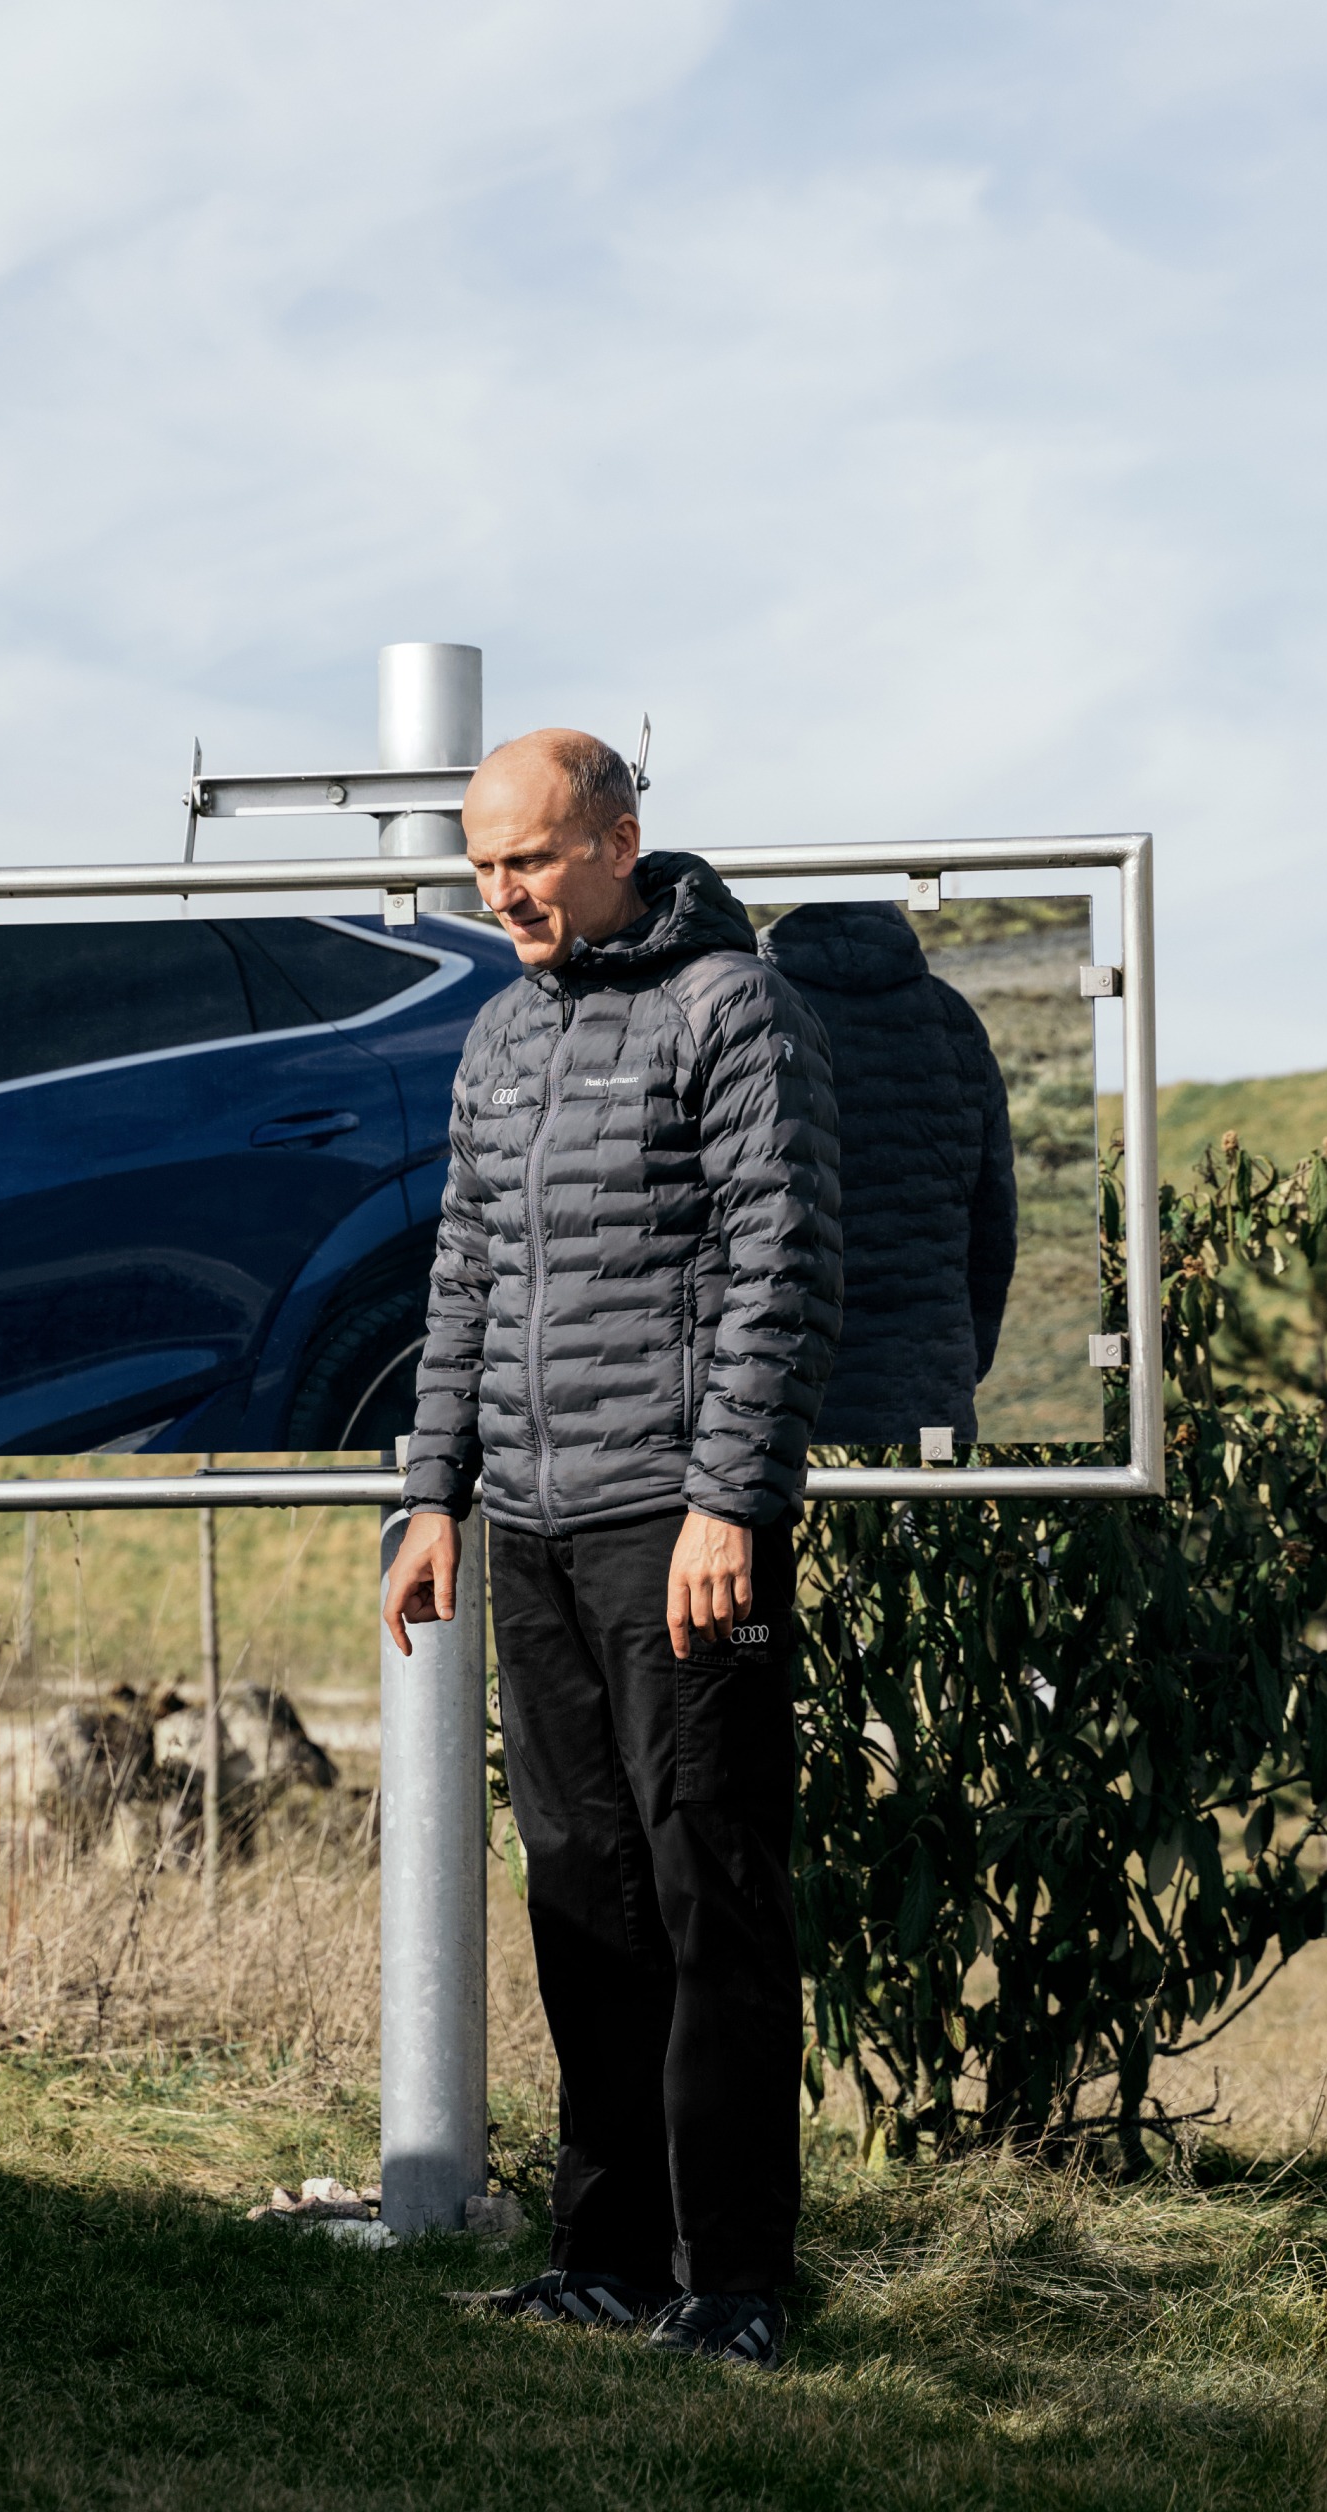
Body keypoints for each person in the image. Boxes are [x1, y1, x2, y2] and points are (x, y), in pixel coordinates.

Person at [382, 728, 841, 2371]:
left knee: (708, 1887)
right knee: (581, 1887)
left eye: (530, 857)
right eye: (481, 862)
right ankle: (605, 2256)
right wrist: (433, 1493)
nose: (500, 887)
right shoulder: (499, 1039)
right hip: (535, 1526)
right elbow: (462, 1286)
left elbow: (780, 1259)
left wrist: (729, 1498)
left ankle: (735, 2277)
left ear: (622, 842)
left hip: (680, 1527)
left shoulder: (733, 1008)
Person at [759, 903, 1016, 1445]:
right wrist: (966, 1355)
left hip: (778, 1377)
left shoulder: (756, 1008)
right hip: (923, 1376)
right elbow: (994, 1214)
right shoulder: (950, 1015)